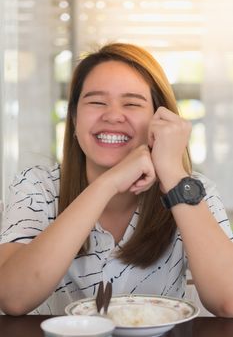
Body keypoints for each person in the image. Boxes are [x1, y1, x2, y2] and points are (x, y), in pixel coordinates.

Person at [0, 43, 233, 317]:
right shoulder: (37, 186)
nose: (112, 115)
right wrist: (107, 184)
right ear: (74, 118)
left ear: (159, 119)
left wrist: (171, 171)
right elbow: (12, 298)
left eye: (132, 103)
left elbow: (228, 301)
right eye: (97, 102)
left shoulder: (191, 189)